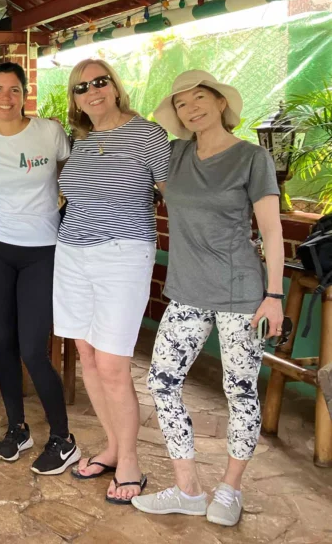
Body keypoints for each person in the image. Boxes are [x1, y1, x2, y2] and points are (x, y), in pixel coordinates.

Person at [132, 70, 283, 527]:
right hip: (186, 291)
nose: (190, 108)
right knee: (161, 382)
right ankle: (188, 488)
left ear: (220, 102)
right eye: (181, 103)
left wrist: (273, 295)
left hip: (240, 293)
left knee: (239, 392)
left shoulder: (251, 158)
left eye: (199, 98)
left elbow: (273, 232)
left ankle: (230, 490)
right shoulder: (174, 155)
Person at [55, 58, 170, 504]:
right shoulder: (81, 140)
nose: (93, 91)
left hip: (123, 255)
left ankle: (131, 464)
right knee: (86, 355)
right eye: (82, 87)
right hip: (73, 255)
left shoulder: (147, 134)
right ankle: (112, 446)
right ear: (76, 100)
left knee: (114, 365)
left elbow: (172, 196)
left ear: (116, 87)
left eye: (100, 82)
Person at [0, 63, 79, 474]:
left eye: (14, 90)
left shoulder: (49, 133)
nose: (6, 98)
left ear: (24, 93)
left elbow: (73, 179)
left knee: (34, 349)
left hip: (42, 250)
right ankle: (18, 428)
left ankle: (63, 437)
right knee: (8, 343)